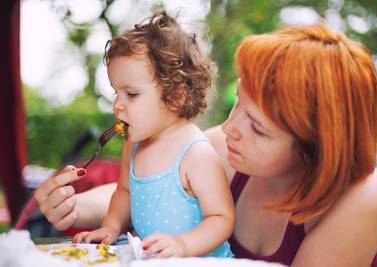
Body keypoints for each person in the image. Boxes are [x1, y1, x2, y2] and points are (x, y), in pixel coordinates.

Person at [34, 24, 377, 266]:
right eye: (238, 103)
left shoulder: (359, 196)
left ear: (317, 149)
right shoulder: (226, 145)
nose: (230, 128)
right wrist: (75, 207)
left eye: (259, 128)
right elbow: (146, 188)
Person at [39, 11, 235, 258]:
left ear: (175, 97)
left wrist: (183, 245)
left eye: (131, 94)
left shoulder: (195, 152)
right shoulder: (134, 145)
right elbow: (124, 192)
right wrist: (110, 226)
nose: (117, 106)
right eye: (115, 94)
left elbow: (221, 218)